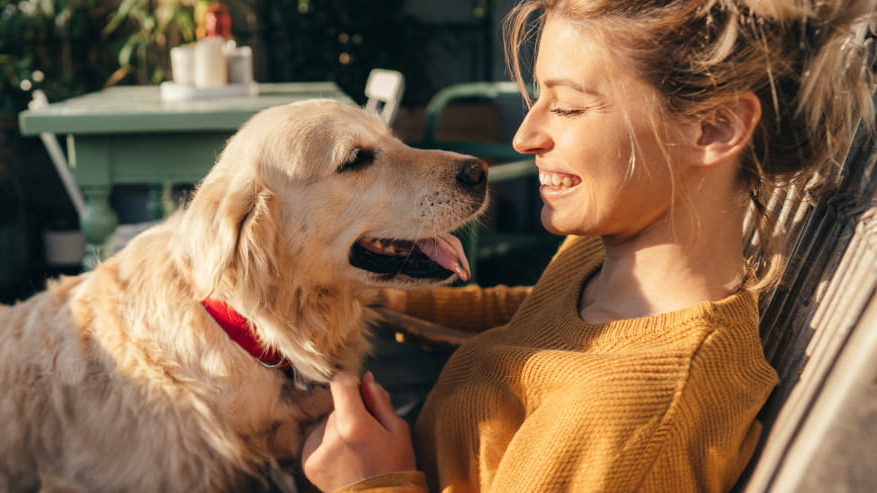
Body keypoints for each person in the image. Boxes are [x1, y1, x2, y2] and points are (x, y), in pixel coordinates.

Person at [301, 0, 877, 491]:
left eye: (569, 106)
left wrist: (370, 483)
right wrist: (387, 300)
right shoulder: (604, 257)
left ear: (713, 128)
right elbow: (533, 318)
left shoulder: (630, 419)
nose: (525, 136)